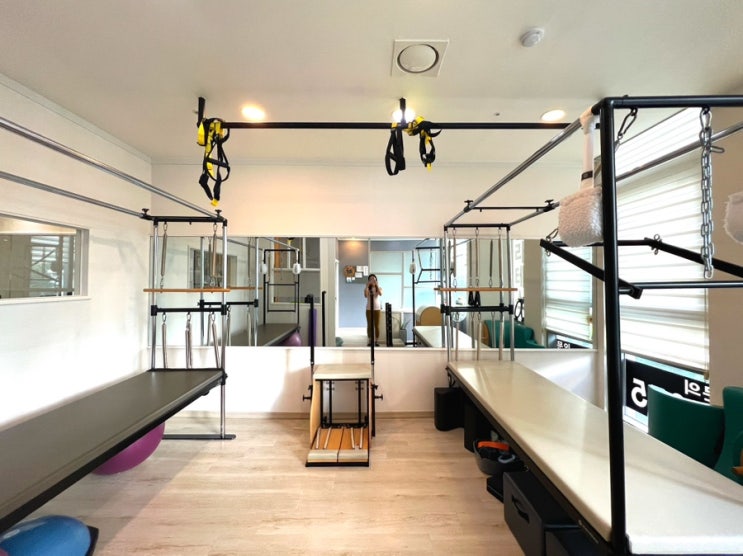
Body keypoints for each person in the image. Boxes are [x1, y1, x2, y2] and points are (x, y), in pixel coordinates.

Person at [364, 274, 383, 346]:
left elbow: (380, 294)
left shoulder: (379, 288)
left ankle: (376, 341)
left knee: (377, 325)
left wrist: (376, 285)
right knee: (369, 325)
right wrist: (367, 286)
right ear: (368, 280)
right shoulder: (367, 289)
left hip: (377, 308)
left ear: (376, 280)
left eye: (374, 279)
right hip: (369, 308)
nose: (372, 280)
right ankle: (369, 341)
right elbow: (366, 295)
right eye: (371, 279)